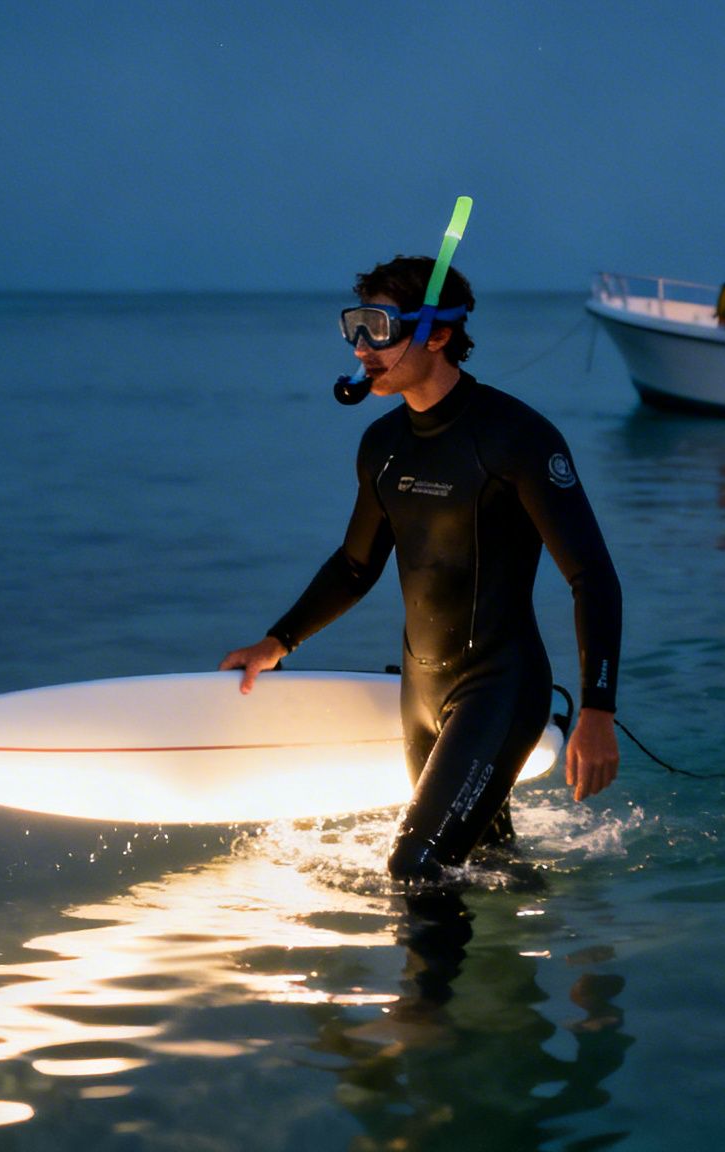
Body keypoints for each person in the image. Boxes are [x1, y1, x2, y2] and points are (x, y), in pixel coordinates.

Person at [221, 255, 623, 884]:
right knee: (481, 861)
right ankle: (531, 951)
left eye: (379, 327)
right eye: (354, 326)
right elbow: (356, 567)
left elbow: (591, 575)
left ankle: (434, 986)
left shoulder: (516, 437)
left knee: (417, 865)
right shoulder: (382, 445)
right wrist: (278, 641)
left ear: (437, 334)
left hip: (501, 685)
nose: (362, 347)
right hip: (421, 693)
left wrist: (598, 711)